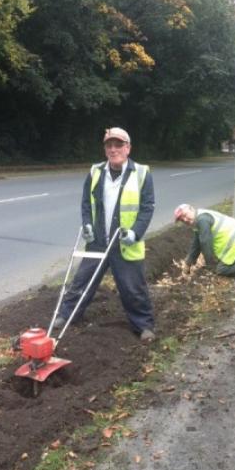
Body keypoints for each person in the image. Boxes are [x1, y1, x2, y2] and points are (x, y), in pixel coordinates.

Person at [54, 127, 155, 342]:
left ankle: (144, 326)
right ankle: (67, 315)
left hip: (124, 242)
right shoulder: (96, 172)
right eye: (109, 145)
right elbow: (85, 204)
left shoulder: (142, 173)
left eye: (118, 145)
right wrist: (87, 225)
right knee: (82, 282)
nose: (113, 149)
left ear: (128, 148)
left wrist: (136, 233)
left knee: (133, 288)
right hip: (98, 241)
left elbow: (147, 208)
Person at [174, 203, 235, 279]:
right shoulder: (200, 217)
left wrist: (210, 264)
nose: (185, 219)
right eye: (182, 219)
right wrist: (188, 262)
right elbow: (196, 244)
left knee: (221, 269)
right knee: (229, 261)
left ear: (191, 209)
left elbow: (205, 242)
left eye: (185, 215)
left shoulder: (202, 220)